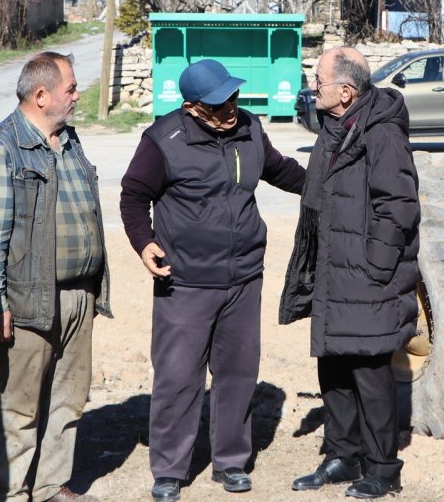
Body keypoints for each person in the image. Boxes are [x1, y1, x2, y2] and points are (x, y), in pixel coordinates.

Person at [119, 59, 306, 502]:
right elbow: (133, 196)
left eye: (234, 98)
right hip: (184, 280)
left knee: (238, 372)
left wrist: (325, 183)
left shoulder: (249, 129)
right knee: (178, 376)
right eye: (220, 103)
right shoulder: (163, 140)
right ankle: (169, 469)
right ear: (193, 107)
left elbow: (278, 169)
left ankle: (231, 461)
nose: (231, 108)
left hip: (243, 277)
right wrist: (144, 243)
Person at [281, 47, 420, 500]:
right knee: (335, 364)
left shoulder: (381, 134)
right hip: (333, 270)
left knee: (370, 370)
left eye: (318, 80)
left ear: (345, 91)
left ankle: (383, 468)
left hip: (364, 274)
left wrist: (373, 265)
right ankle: (343, 454)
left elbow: (398, 205)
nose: (312, 87)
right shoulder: (334, 126)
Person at [0, 52, 111, 502]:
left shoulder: (68, 140)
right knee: (19, 407)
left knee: (69, 399)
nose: (76, 95)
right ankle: (10, 493)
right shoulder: (1, 147)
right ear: (40, 95)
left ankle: (52, 486)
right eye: (70, 88)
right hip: (29, 300)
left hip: (79, 296)